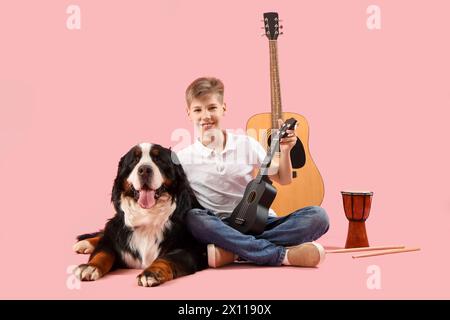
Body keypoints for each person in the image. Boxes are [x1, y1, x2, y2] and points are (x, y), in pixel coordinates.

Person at [176, 77, 329, 268]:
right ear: (188, 113)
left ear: (224, 108)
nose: (205, 115)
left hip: (261, 221)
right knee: (193, 219)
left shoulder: (246, 144)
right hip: (221, 226)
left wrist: (286, 150)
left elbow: (284, 178)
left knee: (318, 217)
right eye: (198, 110)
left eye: (212, 107)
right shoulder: (181, 158)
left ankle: (233, 252)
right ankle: (282, 255)